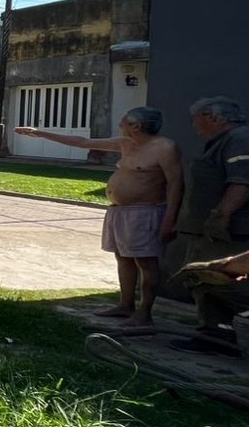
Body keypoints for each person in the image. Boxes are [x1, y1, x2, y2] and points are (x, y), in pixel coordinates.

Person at [15, 105, 181, 332]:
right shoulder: (125, 143)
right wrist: (40, 133)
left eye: (124, 121)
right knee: (123, 258)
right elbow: (83, 142)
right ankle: (126, 305)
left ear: (137, 126)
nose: (120, 124)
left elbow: (176, 183)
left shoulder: (164, 148)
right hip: (119, 212)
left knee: (146, 262)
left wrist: (170, 219)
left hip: (145, 213)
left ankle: (145, 313)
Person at [170, 96, 249, 354]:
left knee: (218, 280)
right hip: (209, 231)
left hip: (228, 233)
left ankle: (217, 335)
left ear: (213, 117)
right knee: (204, 281)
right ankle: (215, 335)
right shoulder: (223, 141)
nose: (194, 126)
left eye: (196, 119)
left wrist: (221, 216)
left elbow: (241, 183)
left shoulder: (239, 139)